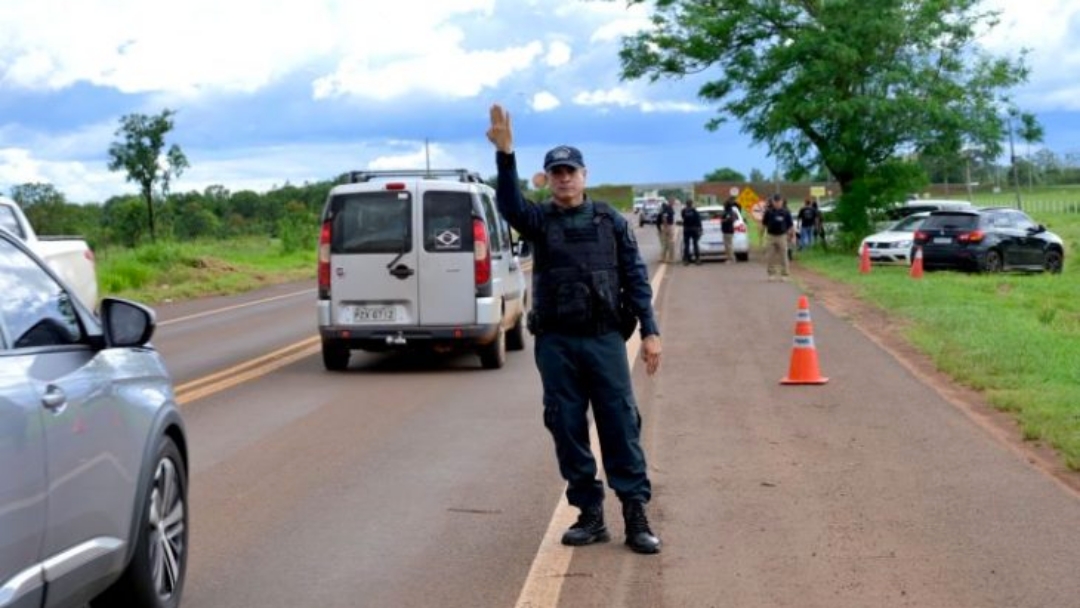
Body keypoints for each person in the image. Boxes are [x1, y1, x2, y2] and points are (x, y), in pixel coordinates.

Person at [485, 103, 663, 555]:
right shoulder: (540, 222)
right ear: (548, 179)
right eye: (556, 172)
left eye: (571, 171)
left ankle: (635, 514)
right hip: (557, 342)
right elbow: (508, 205)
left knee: (620, 423)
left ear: (584, 175)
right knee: (566, 424)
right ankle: (589, 513)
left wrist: (651, 331)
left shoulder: (609, 221)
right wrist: (506, 158)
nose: (564, 178)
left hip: (604, 338)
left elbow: (636, 278)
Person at [762, 193, 795, 281]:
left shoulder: (786, 212)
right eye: (775, 201)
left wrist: (793, 236)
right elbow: (764, 224)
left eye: (779, 201)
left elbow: (790, 225)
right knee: (770, 256)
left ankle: (785, 274)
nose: (777, 203)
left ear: (782, 201)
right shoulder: (768, 212)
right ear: (772, 202)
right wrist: (762, 236)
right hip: (771, 236)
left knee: (784, 256)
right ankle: (771, 274)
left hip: (782, 236)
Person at [680, 198, 703, 265]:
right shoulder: (694, 211)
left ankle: (686, 260)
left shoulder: (684, 211)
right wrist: (700, 229)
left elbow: (683, 218)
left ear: (686, 204)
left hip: (686, 229)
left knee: (686, 245)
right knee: (695, 244)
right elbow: (698, 220)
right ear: (691, 204)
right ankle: (697, 259)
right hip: (694, 229)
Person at [657, 198, 677, 264]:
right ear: (670, 202)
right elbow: (664, 217)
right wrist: (666, 226)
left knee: (665, 243)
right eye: (673, 201)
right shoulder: (668, 208)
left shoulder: (668, 208)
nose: (674, 203)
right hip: (668, 226)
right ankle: (670, 258)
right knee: (671, 243)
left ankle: (663, 258)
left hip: (667, 226)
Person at [720, 196, 738, 263]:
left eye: (724, 205)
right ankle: (730, 258)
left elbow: (731, 219)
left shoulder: (728, 212)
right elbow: (734, 218)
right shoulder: (729, 211)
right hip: (726, 230)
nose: (723, 206)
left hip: (728, 230)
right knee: (727, 245)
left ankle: (731, 259)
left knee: (728, 245)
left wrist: (723, 220)